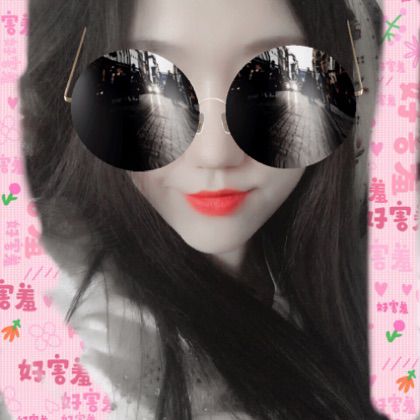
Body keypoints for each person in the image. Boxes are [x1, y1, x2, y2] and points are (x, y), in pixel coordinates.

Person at [18, 0, 387, 419]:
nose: (216, 154)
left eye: (276, 85)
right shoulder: (73, 331)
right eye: (146, 89)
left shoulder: (353, 271)